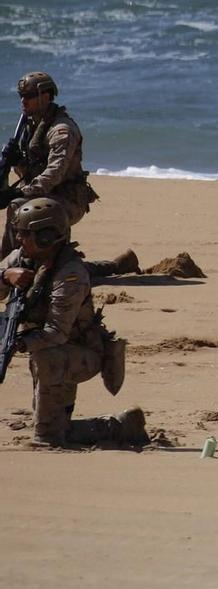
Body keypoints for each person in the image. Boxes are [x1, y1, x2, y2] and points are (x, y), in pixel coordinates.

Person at [4, 198, 145, 449]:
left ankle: (115, 427)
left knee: (49, 435)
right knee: (53, 424)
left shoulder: (70, 275)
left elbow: (56, 332)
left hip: (81, 353)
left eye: (26, 234)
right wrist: (5, 276)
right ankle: (110, 425)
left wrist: (17, 344)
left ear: (47, 237)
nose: (20, 240)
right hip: (46, 349)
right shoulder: (21, 259)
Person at [4, 71, 139, 277]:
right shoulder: (30, 127)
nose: (23, 100)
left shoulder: (62, 130)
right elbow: (32, 171)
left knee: (21, 212)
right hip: (43, 197)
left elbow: (54, 174)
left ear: (46, 97)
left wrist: (18, 193)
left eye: (29, 95)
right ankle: (11, 265)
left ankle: (113, 267)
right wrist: (16, 162)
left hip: (67, 200)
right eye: (21, 96)